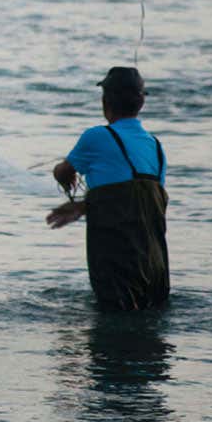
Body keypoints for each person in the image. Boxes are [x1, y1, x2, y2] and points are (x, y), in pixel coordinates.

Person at [46, 67, 170, 310]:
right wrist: (84, 206)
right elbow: (139, 200)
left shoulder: (96, 136)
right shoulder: (156, 147)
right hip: (154, 262)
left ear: (105, 102)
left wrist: (66, 181)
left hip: (117, 259)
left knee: (115, 319)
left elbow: (64, 172)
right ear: (141, 102)